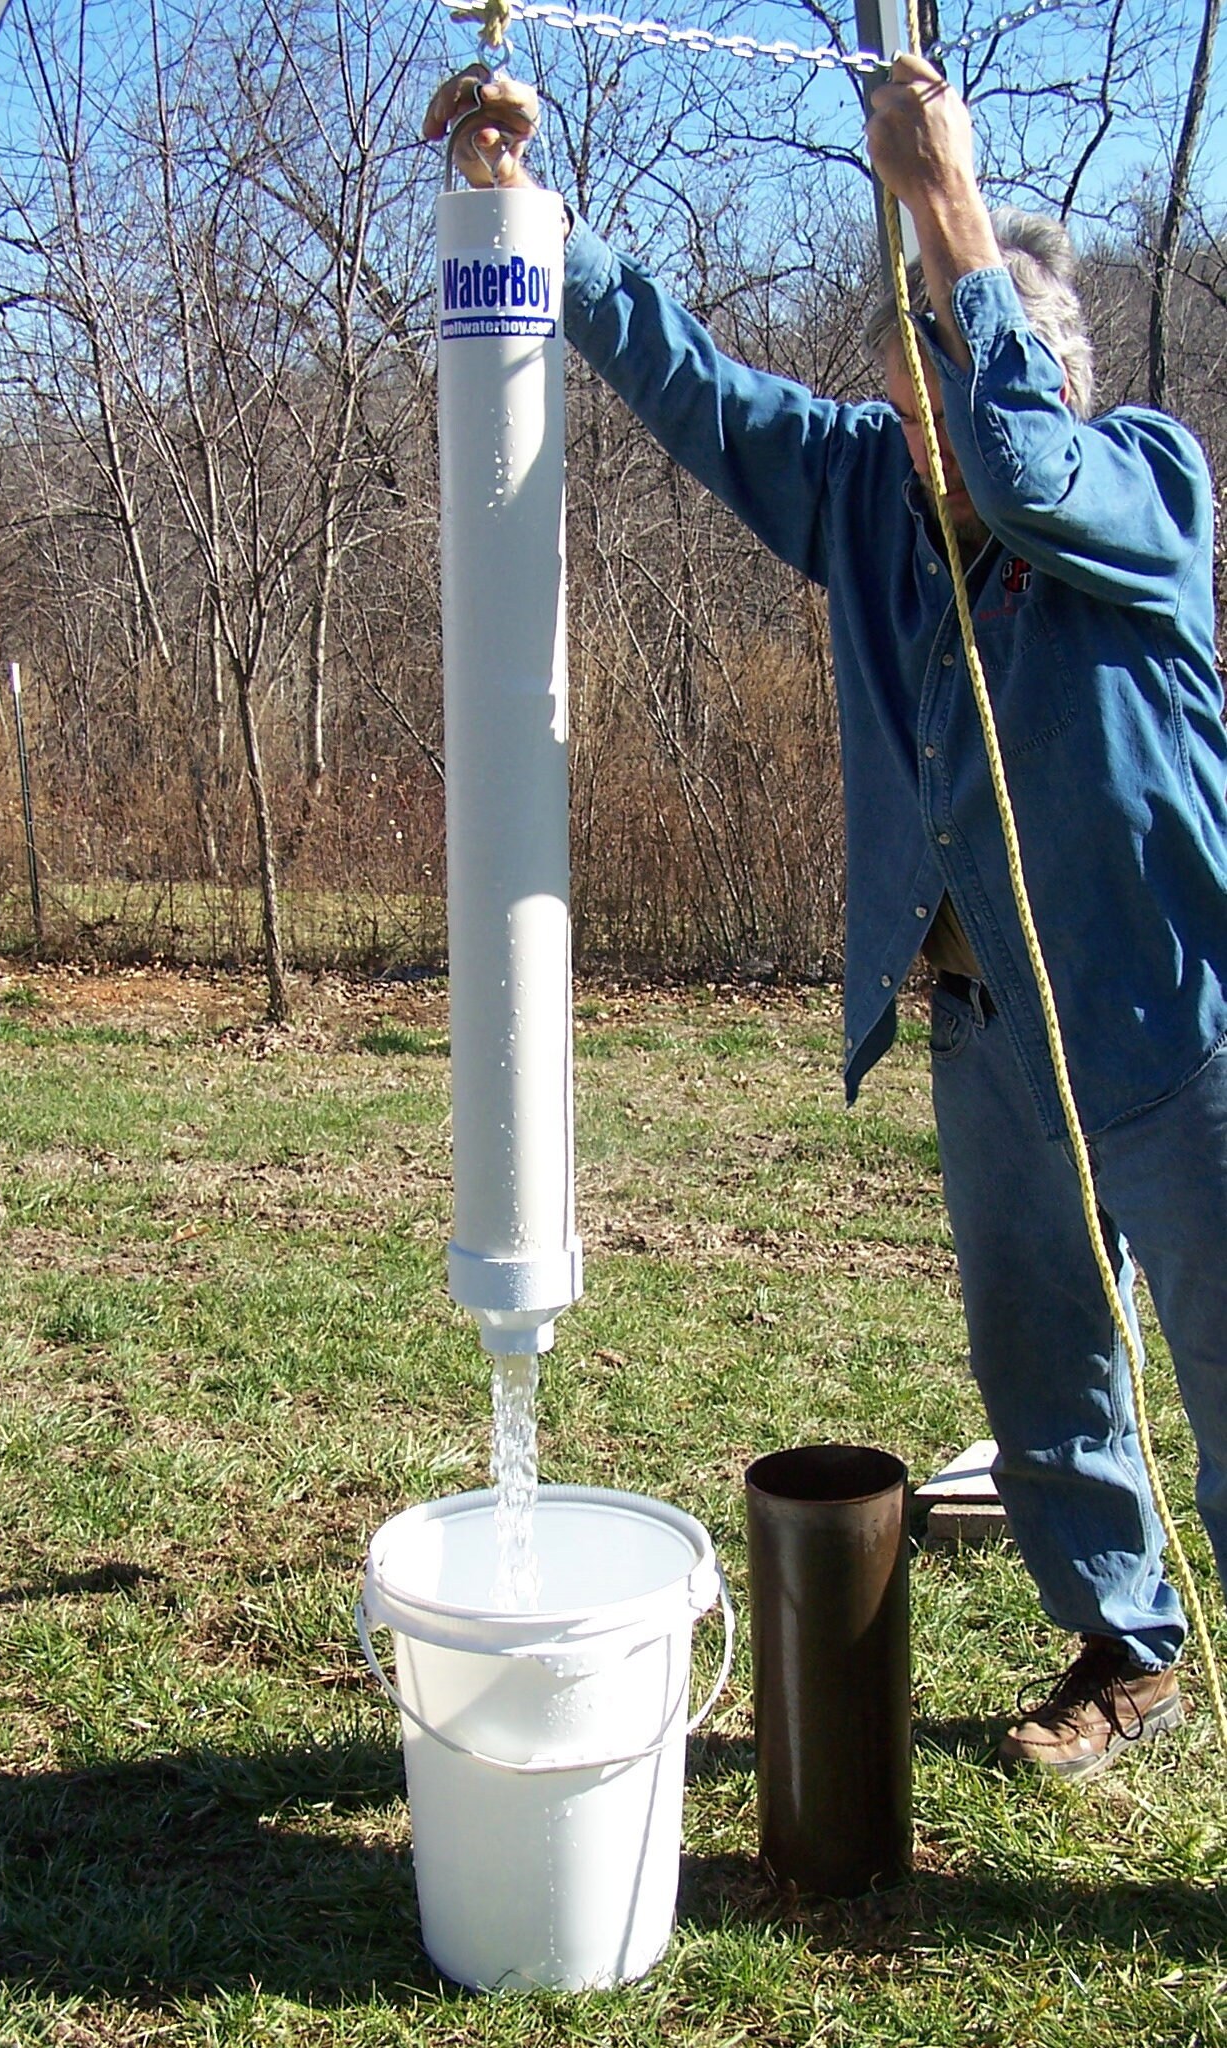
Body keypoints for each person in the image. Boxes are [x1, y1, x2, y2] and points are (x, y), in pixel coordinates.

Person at [425, 55, 1227, 1780]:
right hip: (991, 1030)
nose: (919, 433)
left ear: (1041, 375)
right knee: (1043, 1373)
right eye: (899, 392)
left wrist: (943, 199)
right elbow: (703, 398)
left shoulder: (1142, 484)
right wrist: (533, 219)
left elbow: (1020, 468)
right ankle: (1123, 1646)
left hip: (1174, 1025)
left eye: (944, 385)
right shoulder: (870, 495)